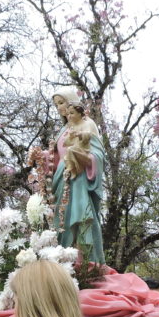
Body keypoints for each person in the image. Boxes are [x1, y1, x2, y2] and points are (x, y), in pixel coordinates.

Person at [50, 87, 106, 263]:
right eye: (56, 105)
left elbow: (98, 154)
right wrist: (43, 157)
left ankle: (84, 262)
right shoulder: (63, 130)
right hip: (61, 179)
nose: (59, 108)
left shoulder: (87, 124)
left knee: (81, 216)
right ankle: (64, 260)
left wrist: (83, 159)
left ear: (72, 102)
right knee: (62, 219)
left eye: (61, 103)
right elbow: (55, 157)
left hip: (79, 178)